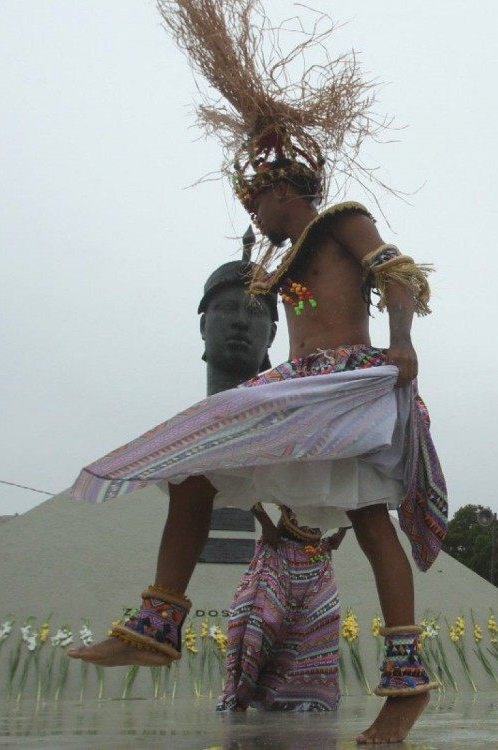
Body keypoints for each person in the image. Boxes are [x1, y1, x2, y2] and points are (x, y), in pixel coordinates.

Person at [69, 2, 446, 743]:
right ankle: (157, 626)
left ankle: (407, 687)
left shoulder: (340, 221)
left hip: (345, 382)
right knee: (193, 472)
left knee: (371, 520)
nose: (256, 222)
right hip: (301, 384)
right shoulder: (281, 261)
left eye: (256, 205)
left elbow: (397, 272)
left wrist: (401, 342)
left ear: (281, 191)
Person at [218, 504, 348, 711]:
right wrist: (265, 523)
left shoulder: (333, 483)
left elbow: (357, 500)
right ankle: (250, 689)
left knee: (323, 622)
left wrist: (341, 532)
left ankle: (308, 697)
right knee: (265, 620)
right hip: (280, 551)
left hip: (317, 556)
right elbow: (248, 489)